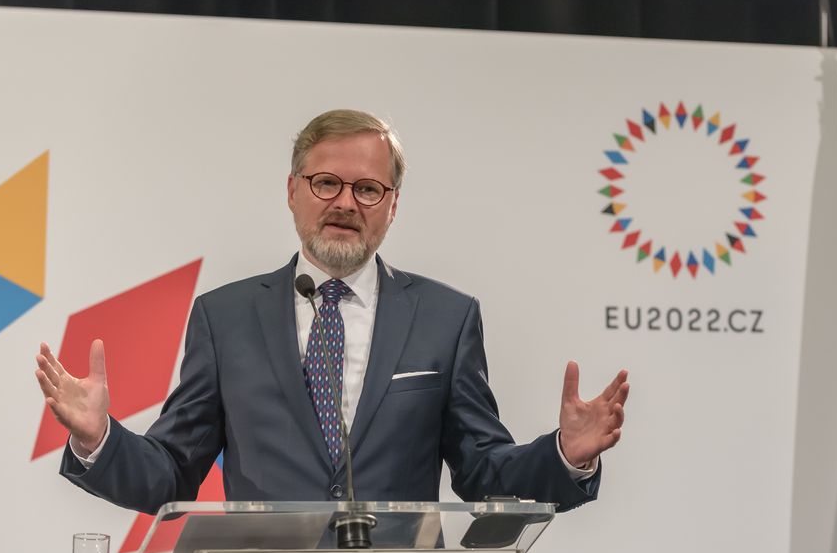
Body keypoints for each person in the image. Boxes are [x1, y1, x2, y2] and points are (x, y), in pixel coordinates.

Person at [33, 109, 629, 515]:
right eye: (326, 183)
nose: (346, 203)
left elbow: (482, 471)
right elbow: (171, 471)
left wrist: (563, 457)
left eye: (368, 189)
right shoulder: (226, 317)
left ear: (392, 206)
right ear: (292, 190)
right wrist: (99, 440)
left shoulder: (445, 320)